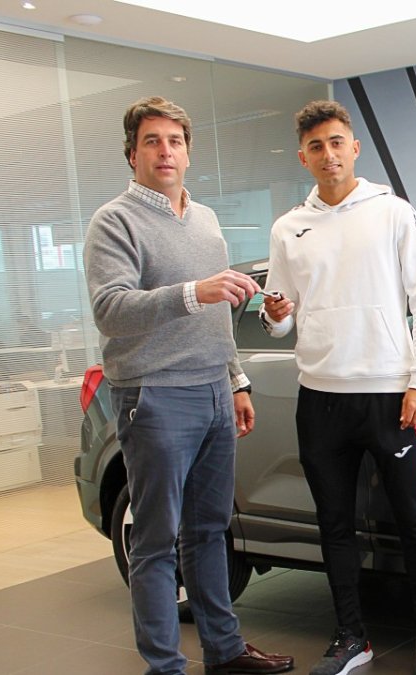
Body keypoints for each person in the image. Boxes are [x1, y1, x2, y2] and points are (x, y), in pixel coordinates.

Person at [83, 96, 294, 675]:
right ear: (133, 153)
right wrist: (191, 292)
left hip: (212, 393)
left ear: (188, 151)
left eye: (175, 141)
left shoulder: (203, 219)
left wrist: (238, 380)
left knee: (209, 533)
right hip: (153, 395)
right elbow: (110, 309)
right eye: (152, 141)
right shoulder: (115, 220)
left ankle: (224, 654)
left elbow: (217, 314)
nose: (165, 151)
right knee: (155, 543)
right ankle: (165, 666)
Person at [260, 100, 416, 675]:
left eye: (337, 142)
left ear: (354, 147)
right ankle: (351, 639)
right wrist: (274, 313)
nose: (328, 154)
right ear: (303, 157)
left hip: (389, 395)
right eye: (316, 147)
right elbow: (281, 319)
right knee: (334, 525)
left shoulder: (393, 213)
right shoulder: (289, 227)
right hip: (318, 397)